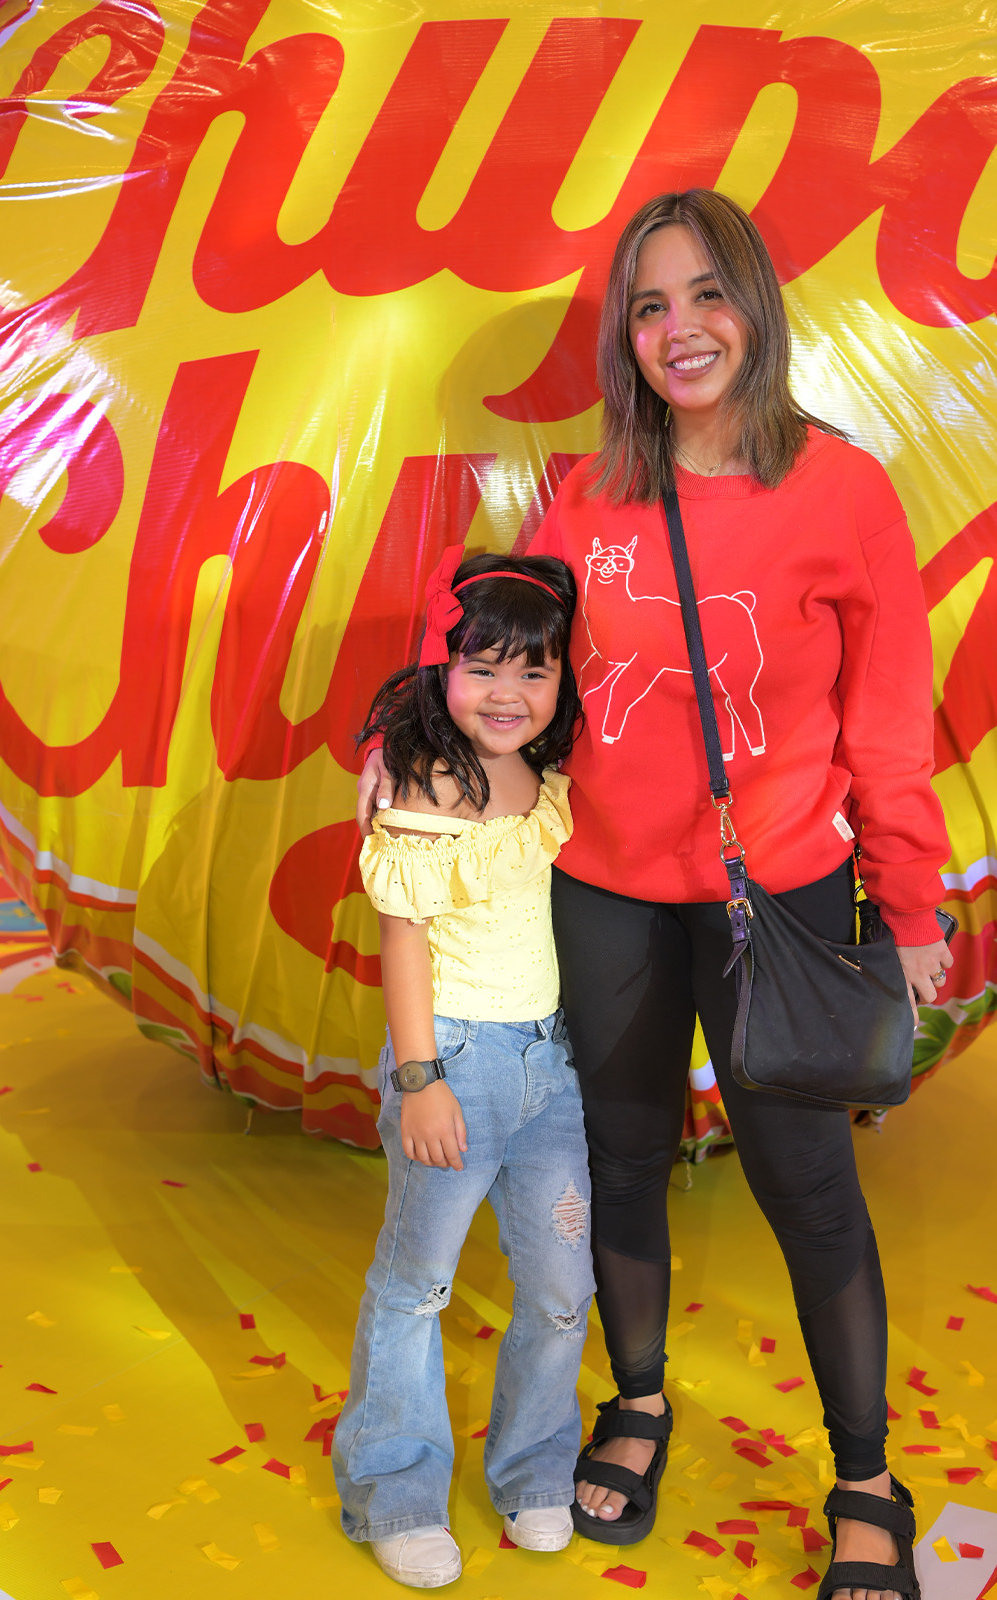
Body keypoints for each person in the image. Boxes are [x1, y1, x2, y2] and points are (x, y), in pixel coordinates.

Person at [358, 190, 952, 1600]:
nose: (679, 329)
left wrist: (908, 901)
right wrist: (411, 743)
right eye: (647, 305)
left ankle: (864, 1478)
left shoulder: (842, 490)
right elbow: (509, 669)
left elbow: (887, 719)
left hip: (777, 900)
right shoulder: (589, 494)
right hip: (604, 894)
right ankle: (635, 1401)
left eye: (704, 294)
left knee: (808, 1190)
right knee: (621, 1162)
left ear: (754, 305)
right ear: (624, 336)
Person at [334, 550, 595, 1590]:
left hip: (548, 1067)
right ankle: (395, 1491)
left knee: (561, 1284)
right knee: (416, 1287)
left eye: (533, 670)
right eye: (482, 667)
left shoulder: (543, 769)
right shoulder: (427, 779)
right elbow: (402, 936)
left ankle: (535, 1471)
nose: (506, 691)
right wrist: (420, 1077)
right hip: (454, 1061)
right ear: (442, 668)